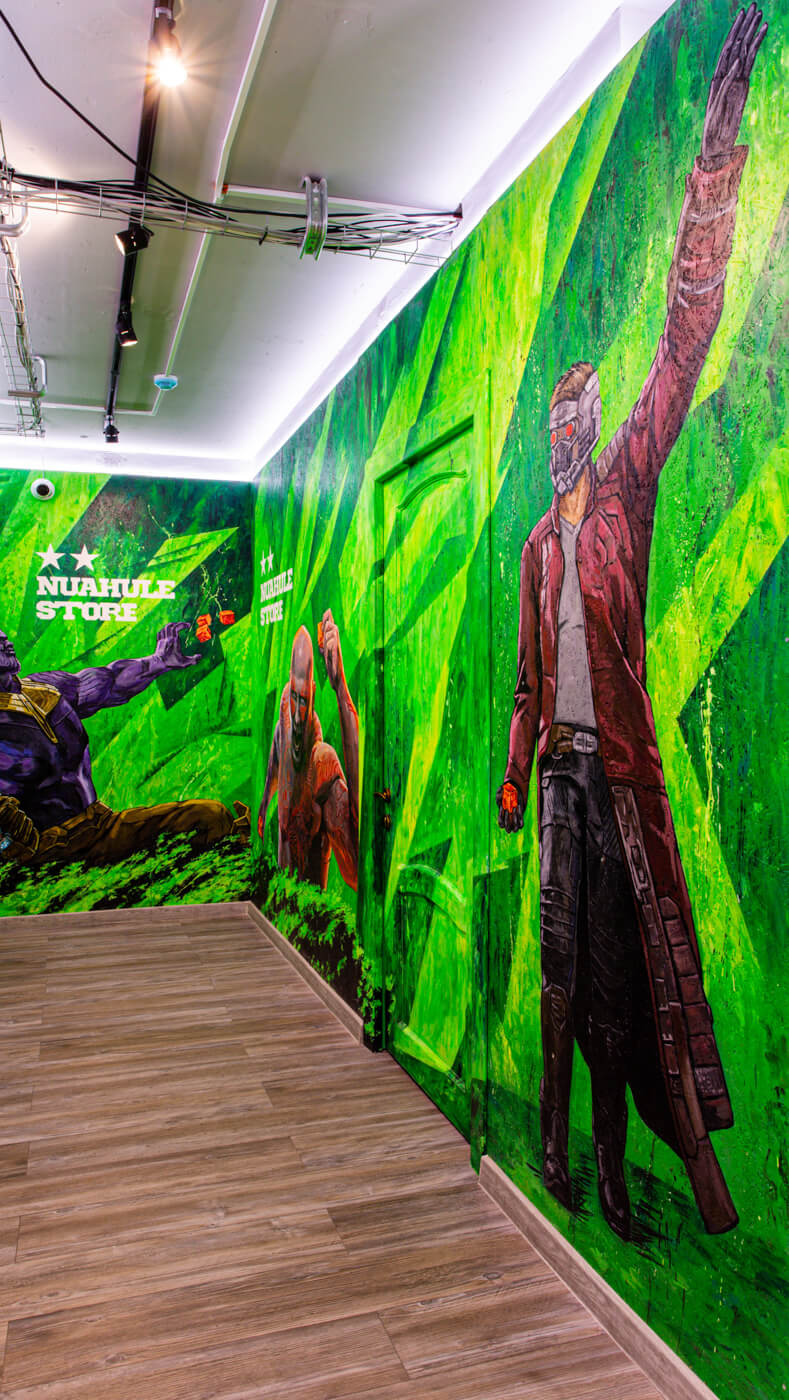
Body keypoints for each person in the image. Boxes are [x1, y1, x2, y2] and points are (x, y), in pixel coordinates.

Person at [497, 5, 766, 1239]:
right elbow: (524, 683)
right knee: (560, 967)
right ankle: (551, 1147)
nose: (575, 433)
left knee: (619, 980)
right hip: (558, 774)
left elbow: (684, 333)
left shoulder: (625, 494)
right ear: (547, 437)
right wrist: (516, 775)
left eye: (584, 417)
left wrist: (716, 151)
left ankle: (609, 1172)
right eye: (562, 422)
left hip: (617, 776)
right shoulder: (534, 548)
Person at [0, 620, 247, 863]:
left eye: (4, 638)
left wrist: (158, 661)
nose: (7, 644)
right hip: (46, 848)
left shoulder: (43, 690)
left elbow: (110, 681)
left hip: (100, 826)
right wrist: (4, 847)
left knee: (211, 816)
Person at [258, 609, 359, 890]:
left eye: (303, 701)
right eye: (294, 697)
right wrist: (264, 803)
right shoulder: (285, 717)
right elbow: (275, 754)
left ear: (313, 693)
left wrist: (340, 688)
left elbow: (357, 866)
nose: (298, 714)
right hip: (281, 899)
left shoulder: (322, 764)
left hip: (309, 909)